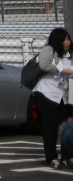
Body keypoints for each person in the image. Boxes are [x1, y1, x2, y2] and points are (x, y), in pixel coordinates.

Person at [34, 27, 73, 169]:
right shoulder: (49, 50)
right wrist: (63, 70)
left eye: (68, 39)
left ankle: (67, 156)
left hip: (65, 94)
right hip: (47, 93)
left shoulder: (69, 54)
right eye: (64, 39)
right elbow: (44, 65)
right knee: (50, 127)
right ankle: (51, 157)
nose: (67, 42)